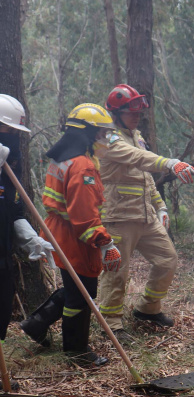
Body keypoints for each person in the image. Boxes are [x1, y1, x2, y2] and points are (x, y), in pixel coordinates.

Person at [20, 104, 121, 368]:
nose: (105, 138)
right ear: (88, 133)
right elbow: (84, 217)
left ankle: (36, 323)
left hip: (59, 231)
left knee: (75, 287)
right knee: (82, 294)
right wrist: (105, 243)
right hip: (75, 238)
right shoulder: (82, 166)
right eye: (101, 133)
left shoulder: (64, 157)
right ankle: (77, 351)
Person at [95, 84, 194, 338]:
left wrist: (160, 205)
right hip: (118, 216)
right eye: (131, 113)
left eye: (139, 113)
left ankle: (148, 309)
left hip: (145, 216)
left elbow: (145, 175)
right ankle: (111, 323)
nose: (137, 117)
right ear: (116, 113)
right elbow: (139, 158)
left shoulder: (136, 136)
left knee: (167, 260)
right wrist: (171, 163)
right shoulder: (107, 139)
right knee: (117, 272)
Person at [0, 95, 54, 346]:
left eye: (14, 131)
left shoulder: (11, 161)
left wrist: (30, 239)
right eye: (7, 129)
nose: (12, 136)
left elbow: (14, 210)